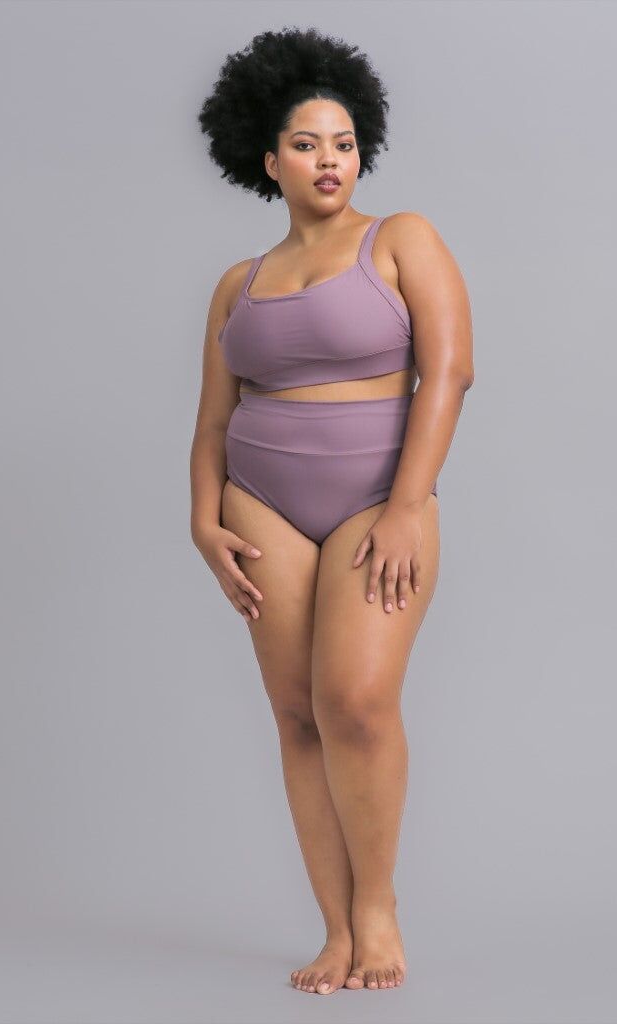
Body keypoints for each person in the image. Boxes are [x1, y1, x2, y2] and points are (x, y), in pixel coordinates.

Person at [191, 26, 474, 995]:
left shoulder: (400, 239)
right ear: (267, 159)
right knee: (296, 714)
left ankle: (376, 909)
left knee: (353, 700)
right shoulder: (236, 284)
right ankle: (333, 930)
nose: (328, 159)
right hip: (259, 503)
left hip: (376, 499)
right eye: (306, 143)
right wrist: (202, 520)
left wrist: (404, 506)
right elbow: (211, 420)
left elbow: (448, 375)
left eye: (344, 143)